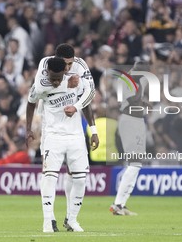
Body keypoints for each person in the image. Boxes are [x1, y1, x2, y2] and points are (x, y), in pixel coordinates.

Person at [33, 43, 99, 228]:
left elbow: (90, 93)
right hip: (50, 128)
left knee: (78, 175)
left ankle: (71, 219)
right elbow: (39, 87)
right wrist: (65, 83)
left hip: (75, 130)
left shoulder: (81, 66)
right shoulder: (46, 64)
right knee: (49, 173)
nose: (68, 68)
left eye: (71, 64)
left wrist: (92, 129)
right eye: (65, 64)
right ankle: (48, 219)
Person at [109, 61, 149, 216]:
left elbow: (133, 100)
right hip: (130, 121)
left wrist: (144, 103)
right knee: (135, 163)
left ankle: (121, 204)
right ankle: (118, 204)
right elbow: (132, 100)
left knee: (136, 164)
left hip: (136, 121)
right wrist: (140, 83)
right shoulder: (128, 80)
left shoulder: (134, 80)